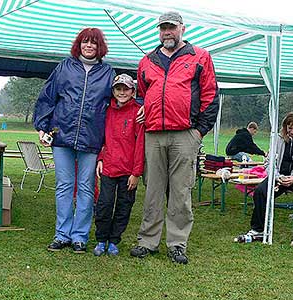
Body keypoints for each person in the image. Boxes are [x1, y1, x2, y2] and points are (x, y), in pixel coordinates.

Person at [130, 11, 219, 264]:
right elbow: (143, 94)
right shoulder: (147, 61)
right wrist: (146, 107)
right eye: (163, 28)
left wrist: (199, 131)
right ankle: (147, 241)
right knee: (153, 191)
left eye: (171, 27)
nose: (167, 32)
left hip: (185, 134)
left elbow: (210, 96)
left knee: (181, 192)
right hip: (154, 134)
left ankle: (177, 243)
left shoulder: (200, 57)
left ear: (182, 28)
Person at [33, 28, 115, 253]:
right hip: (62, 136)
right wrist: (42, 126)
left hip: (92, 138)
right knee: (64, 186)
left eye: (94, 43)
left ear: (100, 47)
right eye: (85, 42)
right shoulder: (64, 67)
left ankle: (80, 236)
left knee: (87, 188)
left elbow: (115, 106)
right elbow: (48, 97)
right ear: (79, 44)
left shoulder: (108, 73)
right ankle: (62, 234)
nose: (89, 46)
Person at [239, 111, 293, 247]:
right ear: (285, 126)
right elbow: (268, 162)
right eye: (290, 128)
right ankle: (258, 229)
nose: (292, 131)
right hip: (280, 176)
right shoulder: (277, 138)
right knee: (260, 191)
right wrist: (277, 176)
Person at [93, 74, 144, 256]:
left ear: (132, 91)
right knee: (104, 204)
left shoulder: (139, 112)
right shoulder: (107, 111)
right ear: (113, 91)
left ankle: (114, 240)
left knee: (124, 205)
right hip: (108, 167)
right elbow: (102, 139)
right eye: (118, 89)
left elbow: (140, 145)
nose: (122, 92)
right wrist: (100, 158)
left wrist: (137, 172)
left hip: (129, 170)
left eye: (126, 89)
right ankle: (101, 239)